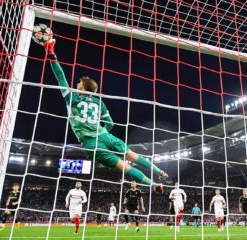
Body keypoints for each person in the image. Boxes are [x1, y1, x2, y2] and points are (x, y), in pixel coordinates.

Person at [41, 39, 168, 190]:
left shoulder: (72, 98)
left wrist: (51, 54)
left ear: (84, 87)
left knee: (124, 167)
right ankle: (160, 172)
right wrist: (102, 132)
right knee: (132, 156)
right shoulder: (98, 102)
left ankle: (153, 185)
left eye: (79, 84)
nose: (76, 85)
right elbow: (111, 123)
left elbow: (60, 76)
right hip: (105, 135)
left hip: (91, 143)